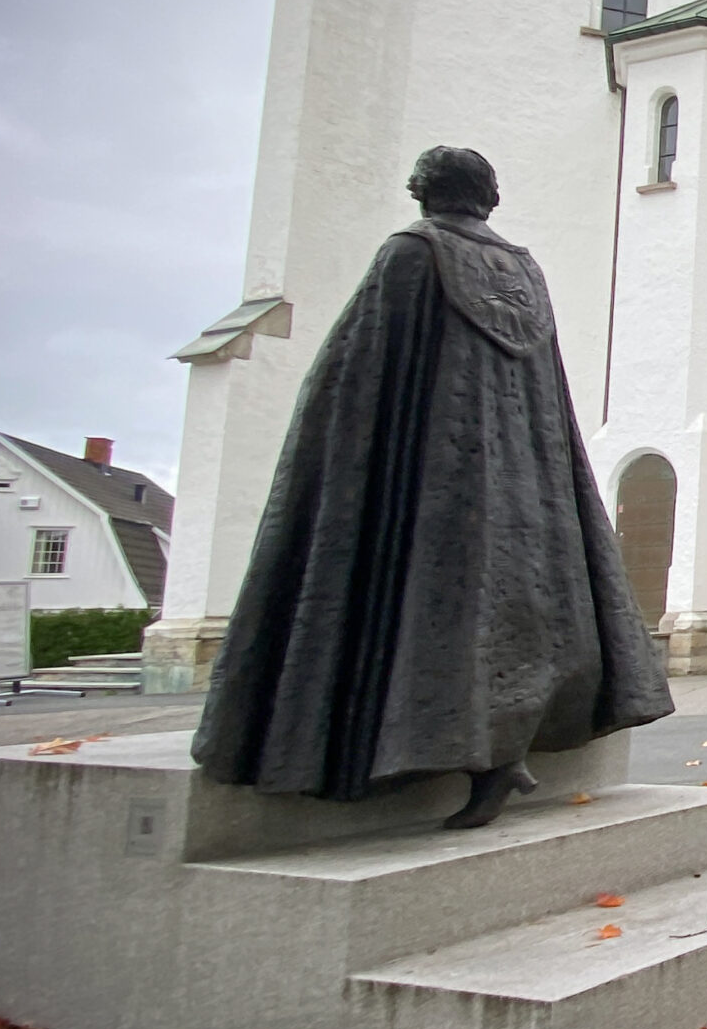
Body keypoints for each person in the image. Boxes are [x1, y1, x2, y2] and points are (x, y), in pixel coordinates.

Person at [192, 147, 672, 827]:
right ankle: (501, 749)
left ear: (422, 192)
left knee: (425, 603)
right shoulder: (524, 270)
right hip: (522, 486)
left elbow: (358, 369)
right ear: (489, 198)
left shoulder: (412, 254)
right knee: (498, 608)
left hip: (434, 473)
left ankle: (426, 750)